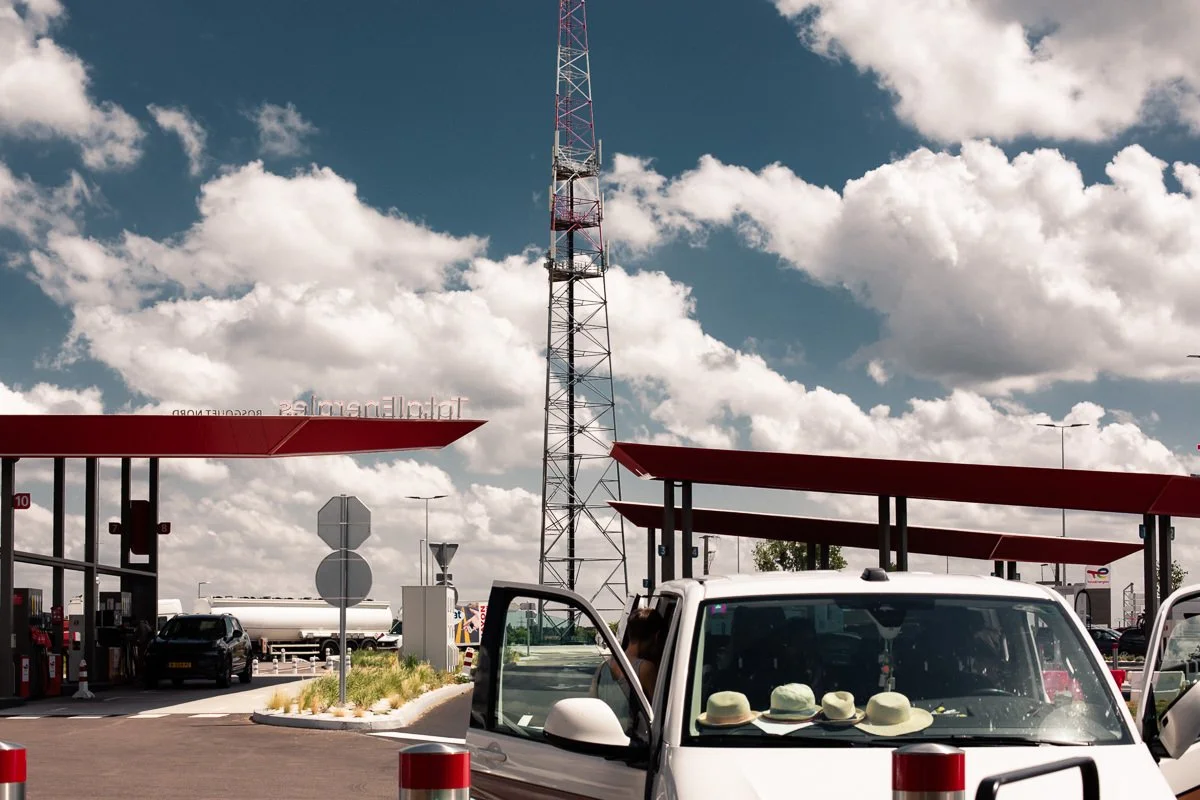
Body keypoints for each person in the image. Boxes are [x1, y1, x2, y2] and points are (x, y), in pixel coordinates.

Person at [590, 607, 666, 721]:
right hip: (633, 737)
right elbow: (659, 713)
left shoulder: (603, 667)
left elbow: (592, 705)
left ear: (630, 633)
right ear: (656, 636)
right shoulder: (645, 668)